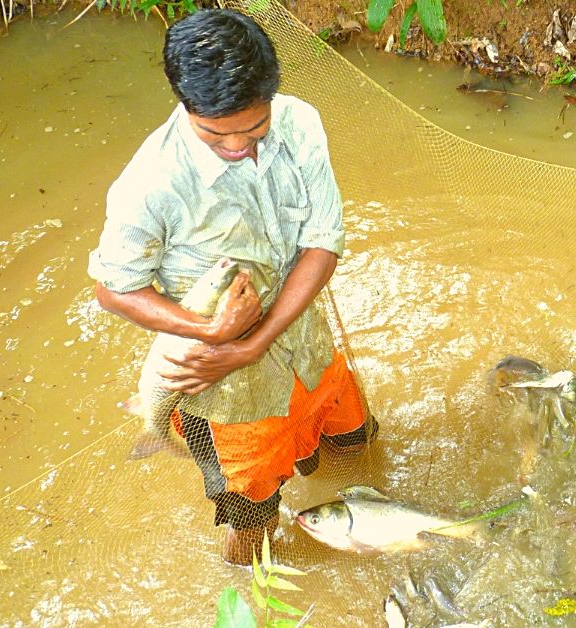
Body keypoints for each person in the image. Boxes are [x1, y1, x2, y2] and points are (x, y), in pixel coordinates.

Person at [88, 9, 375, 564]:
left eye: (255, 127)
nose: (240, 145)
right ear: (185, 104)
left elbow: (322, 241)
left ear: (272, 94)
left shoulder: (300, 123)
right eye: (216, 133)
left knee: (355, 445)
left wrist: (254, 340)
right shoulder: (149, 184)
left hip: (306, 347)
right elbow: (113, 289)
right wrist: (211, 331)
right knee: (252, 522)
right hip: (223, 395)